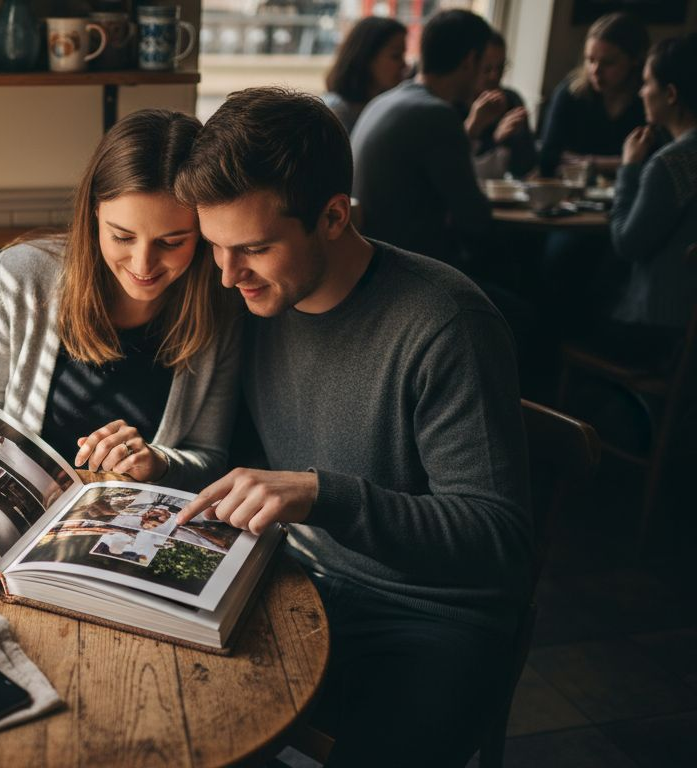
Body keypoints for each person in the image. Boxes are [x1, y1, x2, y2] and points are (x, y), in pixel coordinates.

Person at [173, 86, 531, 767]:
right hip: (304, 583)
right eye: (215, 247)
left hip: (433, 620)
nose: (226, 276)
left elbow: (498, 540)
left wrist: (323, 494)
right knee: (170, 718)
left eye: (252, 248)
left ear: (334, 216)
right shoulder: (259, 297)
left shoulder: (446, 324)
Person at [0, 109, 240, 491]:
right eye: (122, 237)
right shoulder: (19, 279)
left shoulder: (220, 303)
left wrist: (159, 463)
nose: (143, 264)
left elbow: (209, 457)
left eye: (171, 242)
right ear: (93, 215)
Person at [350, 9, 492, 266]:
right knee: (521, 303)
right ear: (470, 60)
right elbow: (475, 220)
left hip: (367, 259)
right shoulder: (437, 114)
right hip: (406, 271)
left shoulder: (384, 101)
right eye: (484, 67)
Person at [606, 33, 697, 359]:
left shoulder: (671, 163)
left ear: (671, 94)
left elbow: (627, 244)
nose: (642, 92)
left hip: (661, 327)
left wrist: (629, 167)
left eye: (647, 82)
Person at [538, 12, 649, 179]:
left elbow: (653, 163)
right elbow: (548, 157)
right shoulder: (571, 93)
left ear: (634, 60)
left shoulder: (647, 100)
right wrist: (620, 162)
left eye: (608, 62)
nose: (595, 71)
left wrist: (590, 163)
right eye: (590, 60)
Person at [321, 16, 408, 134]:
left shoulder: (386, 106)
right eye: (396, 56)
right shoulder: (335, 113)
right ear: (366, 58)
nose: (404, 65)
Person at [467, 31, 536, 179]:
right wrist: (495, 140)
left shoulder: (512, 100)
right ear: (472, 65)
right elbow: (459, 170)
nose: (494, 76)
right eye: (487, 69)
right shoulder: (456, 104)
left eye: (500, 68)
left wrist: (516, 138)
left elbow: (526, 170)